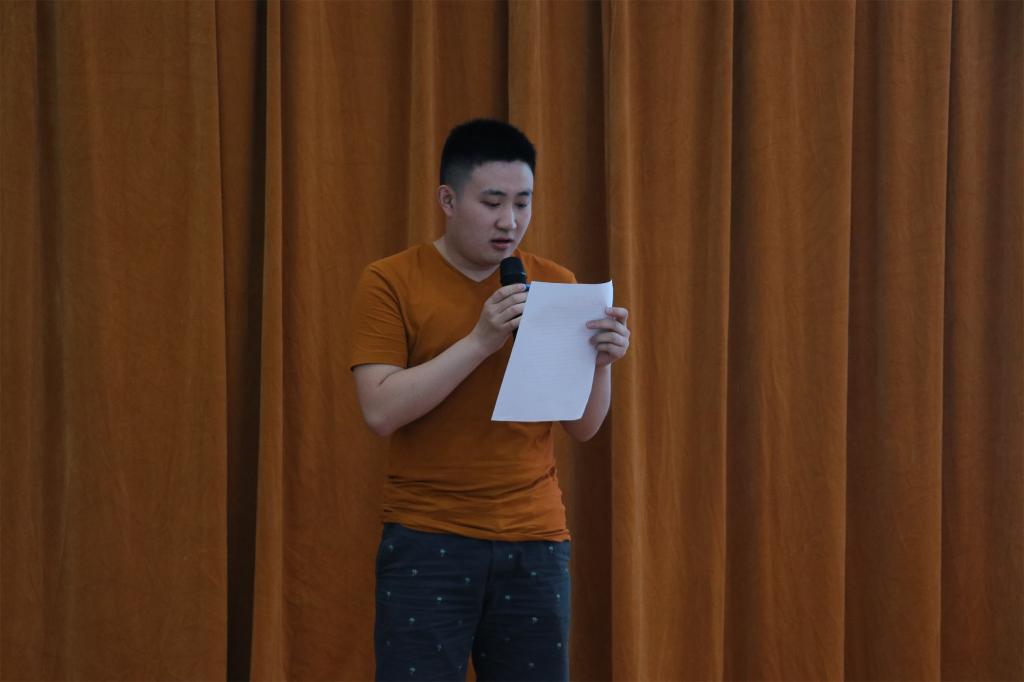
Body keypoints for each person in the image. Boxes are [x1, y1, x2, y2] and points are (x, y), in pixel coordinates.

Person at [349, 119, 630, 682]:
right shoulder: (390, 281)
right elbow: (379, 411)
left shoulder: (555, 283)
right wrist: (480, 341)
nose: (510, 222)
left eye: (523, 202)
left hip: (536, 540)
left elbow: (583, 427)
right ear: (448, 201)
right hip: (427, 537)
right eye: (493, 202)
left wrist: (601, 364)